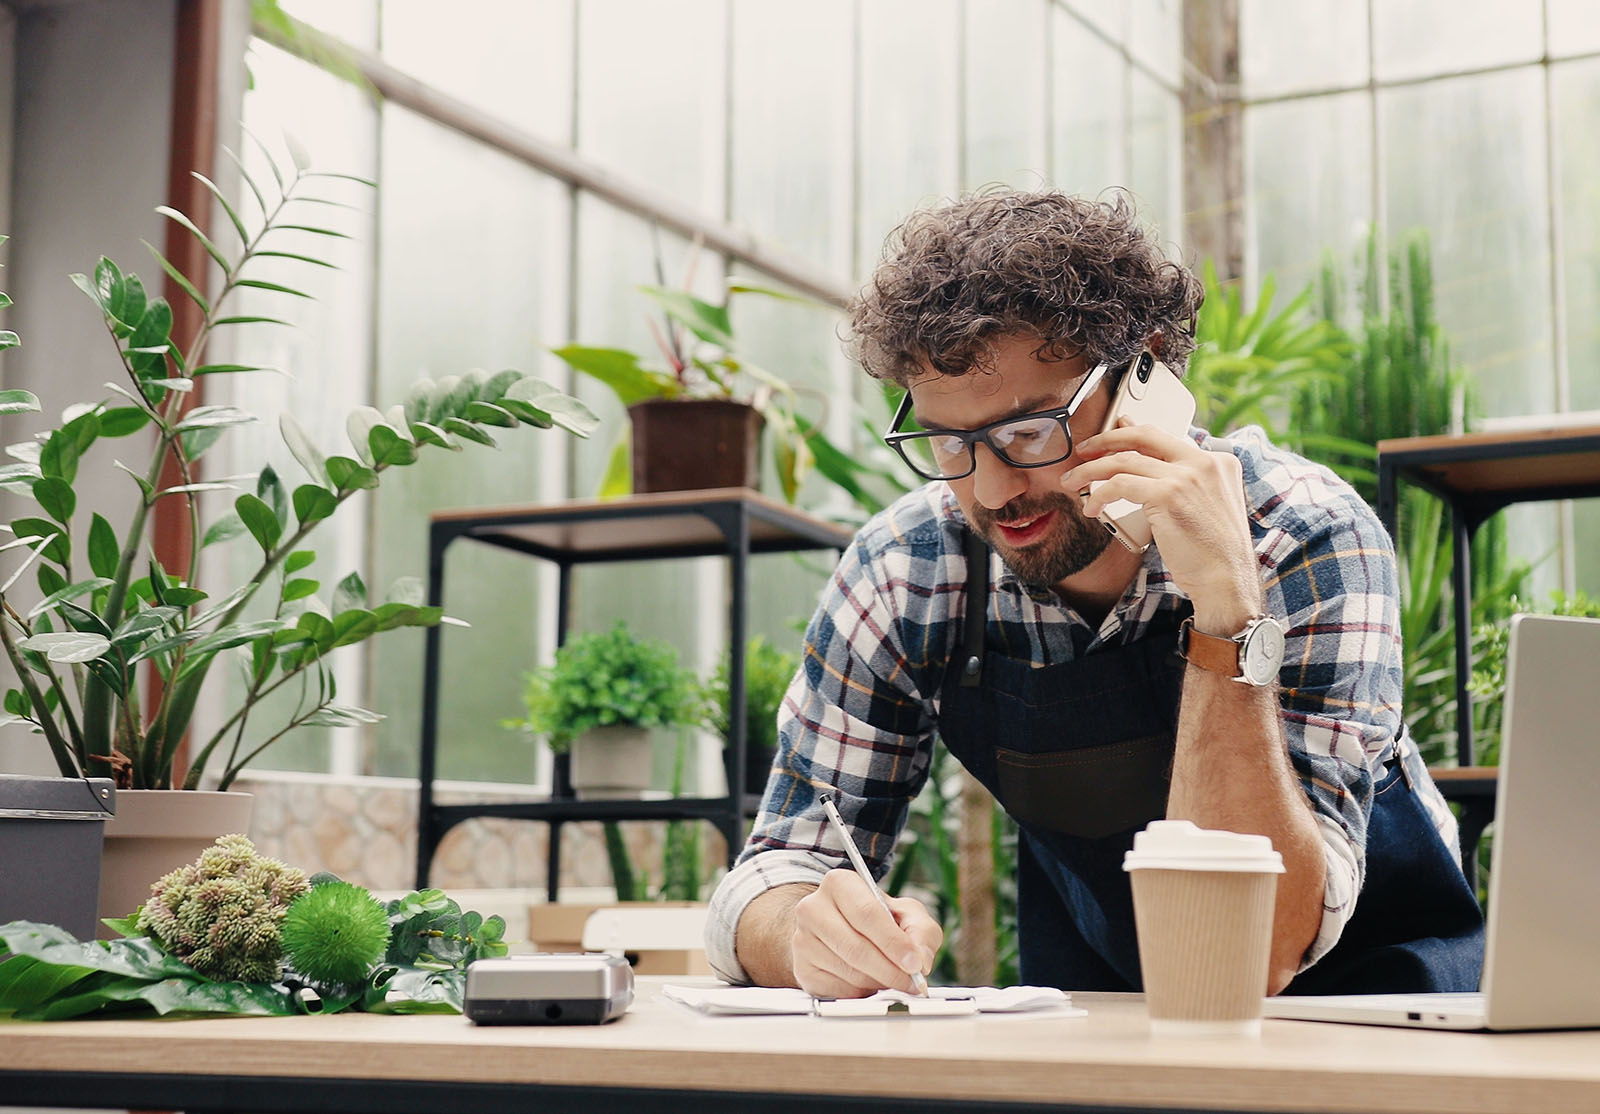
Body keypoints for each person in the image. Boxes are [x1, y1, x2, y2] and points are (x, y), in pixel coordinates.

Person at [704, 189, 1485, 999]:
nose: (996, 487)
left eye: (1031, 430)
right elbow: (779, 868)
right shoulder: (910, 569)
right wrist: (808, 936)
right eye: (949, 441)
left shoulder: (1303, 536)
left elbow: (1253, 956)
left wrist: (1227, 613)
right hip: (1109, 1008)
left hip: (1382, 1012)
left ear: (1144, 370)